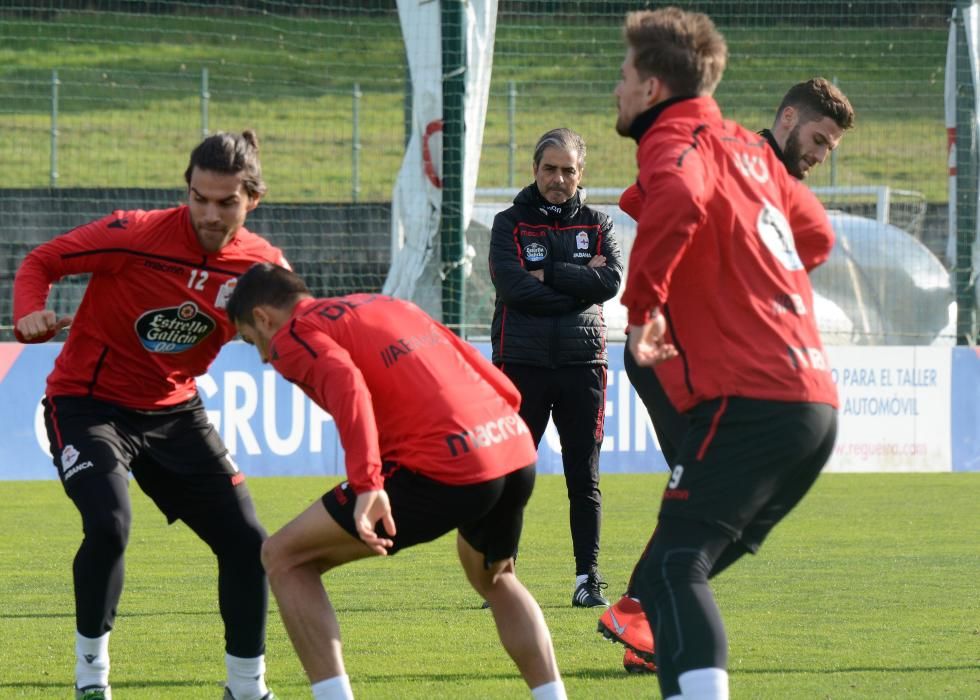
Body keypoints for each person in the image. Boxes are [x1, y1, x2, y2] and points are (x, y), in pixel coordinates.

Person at [604, 8, 840, 698]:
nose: (615, 89)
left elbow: (671, 194)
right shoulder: (749, 147)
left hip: (749, 396)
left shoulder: (675, 138)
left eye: (622, 75)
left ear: (651, 88)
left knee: (676, 566)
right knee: (681, 566)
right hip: (813, 404)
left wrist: (644, 307)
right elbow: (817, 235)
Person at [13, 130, 286, 700]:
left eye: (226, 202)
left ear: (252, 200)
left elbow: (298, 340)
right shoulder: (134, 233)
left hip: (174, 412)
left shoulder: (263, 267)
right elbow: (42, 260)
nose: (209, 214)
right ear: (186, 190)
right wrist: (31, 311)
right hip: (88, 404)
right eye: (199, 198)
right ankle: (92, 679)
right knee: (110, 525)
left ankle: (246, 688)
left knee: (248, 543)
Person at [224, 262, 568, 700]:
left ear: (262, 318)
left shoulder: (293, 333)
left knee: (284, 557)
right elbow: (469, 360)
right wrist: (502, 426)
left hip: (447, 464)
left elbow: (347, 384)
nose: (263, 357)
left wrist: (368, 484)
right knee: (496, 578)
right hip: (512, 446)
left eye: (255, 343)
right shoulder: (385, 303)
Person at [488, 127, 623, 608]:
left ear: (580, 173)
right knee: (510, 474)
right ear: (535, 170)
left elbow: (610, 282)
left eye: (568, 170)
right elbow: (512, 286)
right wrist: (576, 285)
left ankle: (587, 579)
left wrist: (548, 275)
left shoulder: (600, 223)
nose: (558, 178)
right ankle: (501, 576)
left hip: (582, 363)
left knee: (583, 477)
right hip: (519, 363)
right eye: (550, 169)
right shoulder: (508, 224)